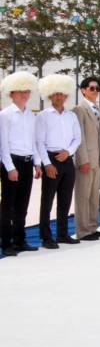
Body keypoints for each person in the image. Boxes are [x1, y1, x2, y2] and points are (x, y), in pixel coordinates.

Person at [34, 74, 81, 248]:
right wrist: (47, 164)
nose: (59, 97)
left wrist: (68, 152)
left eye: (62, 93)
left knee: (65, 199)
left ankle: (62, 234)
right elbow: (39, 142)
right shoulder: (43, 116)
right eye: (55, 93)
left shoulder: (71, 116)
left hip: (67, 160)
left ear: (66, 95)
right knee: (47, 200)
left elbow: (77, 138)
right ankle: (46, 237)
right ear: (50, 95)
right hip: (51, 159)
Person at [0, 72, 41, 257]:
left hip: (26, 162)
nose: (25, 95)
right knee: (8, 206)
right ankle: (6, 243)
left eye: (27, 91)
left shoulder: (31, 115)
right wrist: (10, 168)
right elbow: (3, 144)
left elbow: (33, 141)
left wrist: (37, 163)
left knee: (22, 205)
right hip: (11, 162)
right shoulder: (5, 115)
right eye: (20, 91)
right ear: (12, 93)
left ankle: (20, 240)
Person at [72, 76, 100, 241]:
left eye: (97, 88)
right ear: (83, 90)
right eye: (92, 88)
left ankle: (92, 227)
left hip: (97, 159)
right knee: (82, 197)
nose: (95, 91)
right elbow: (80, 137)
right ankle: (83, 231)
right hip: (85, 160)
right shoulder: (79, 109)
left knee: (93, 196)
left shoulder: (97, 108)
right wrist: (83, 160)